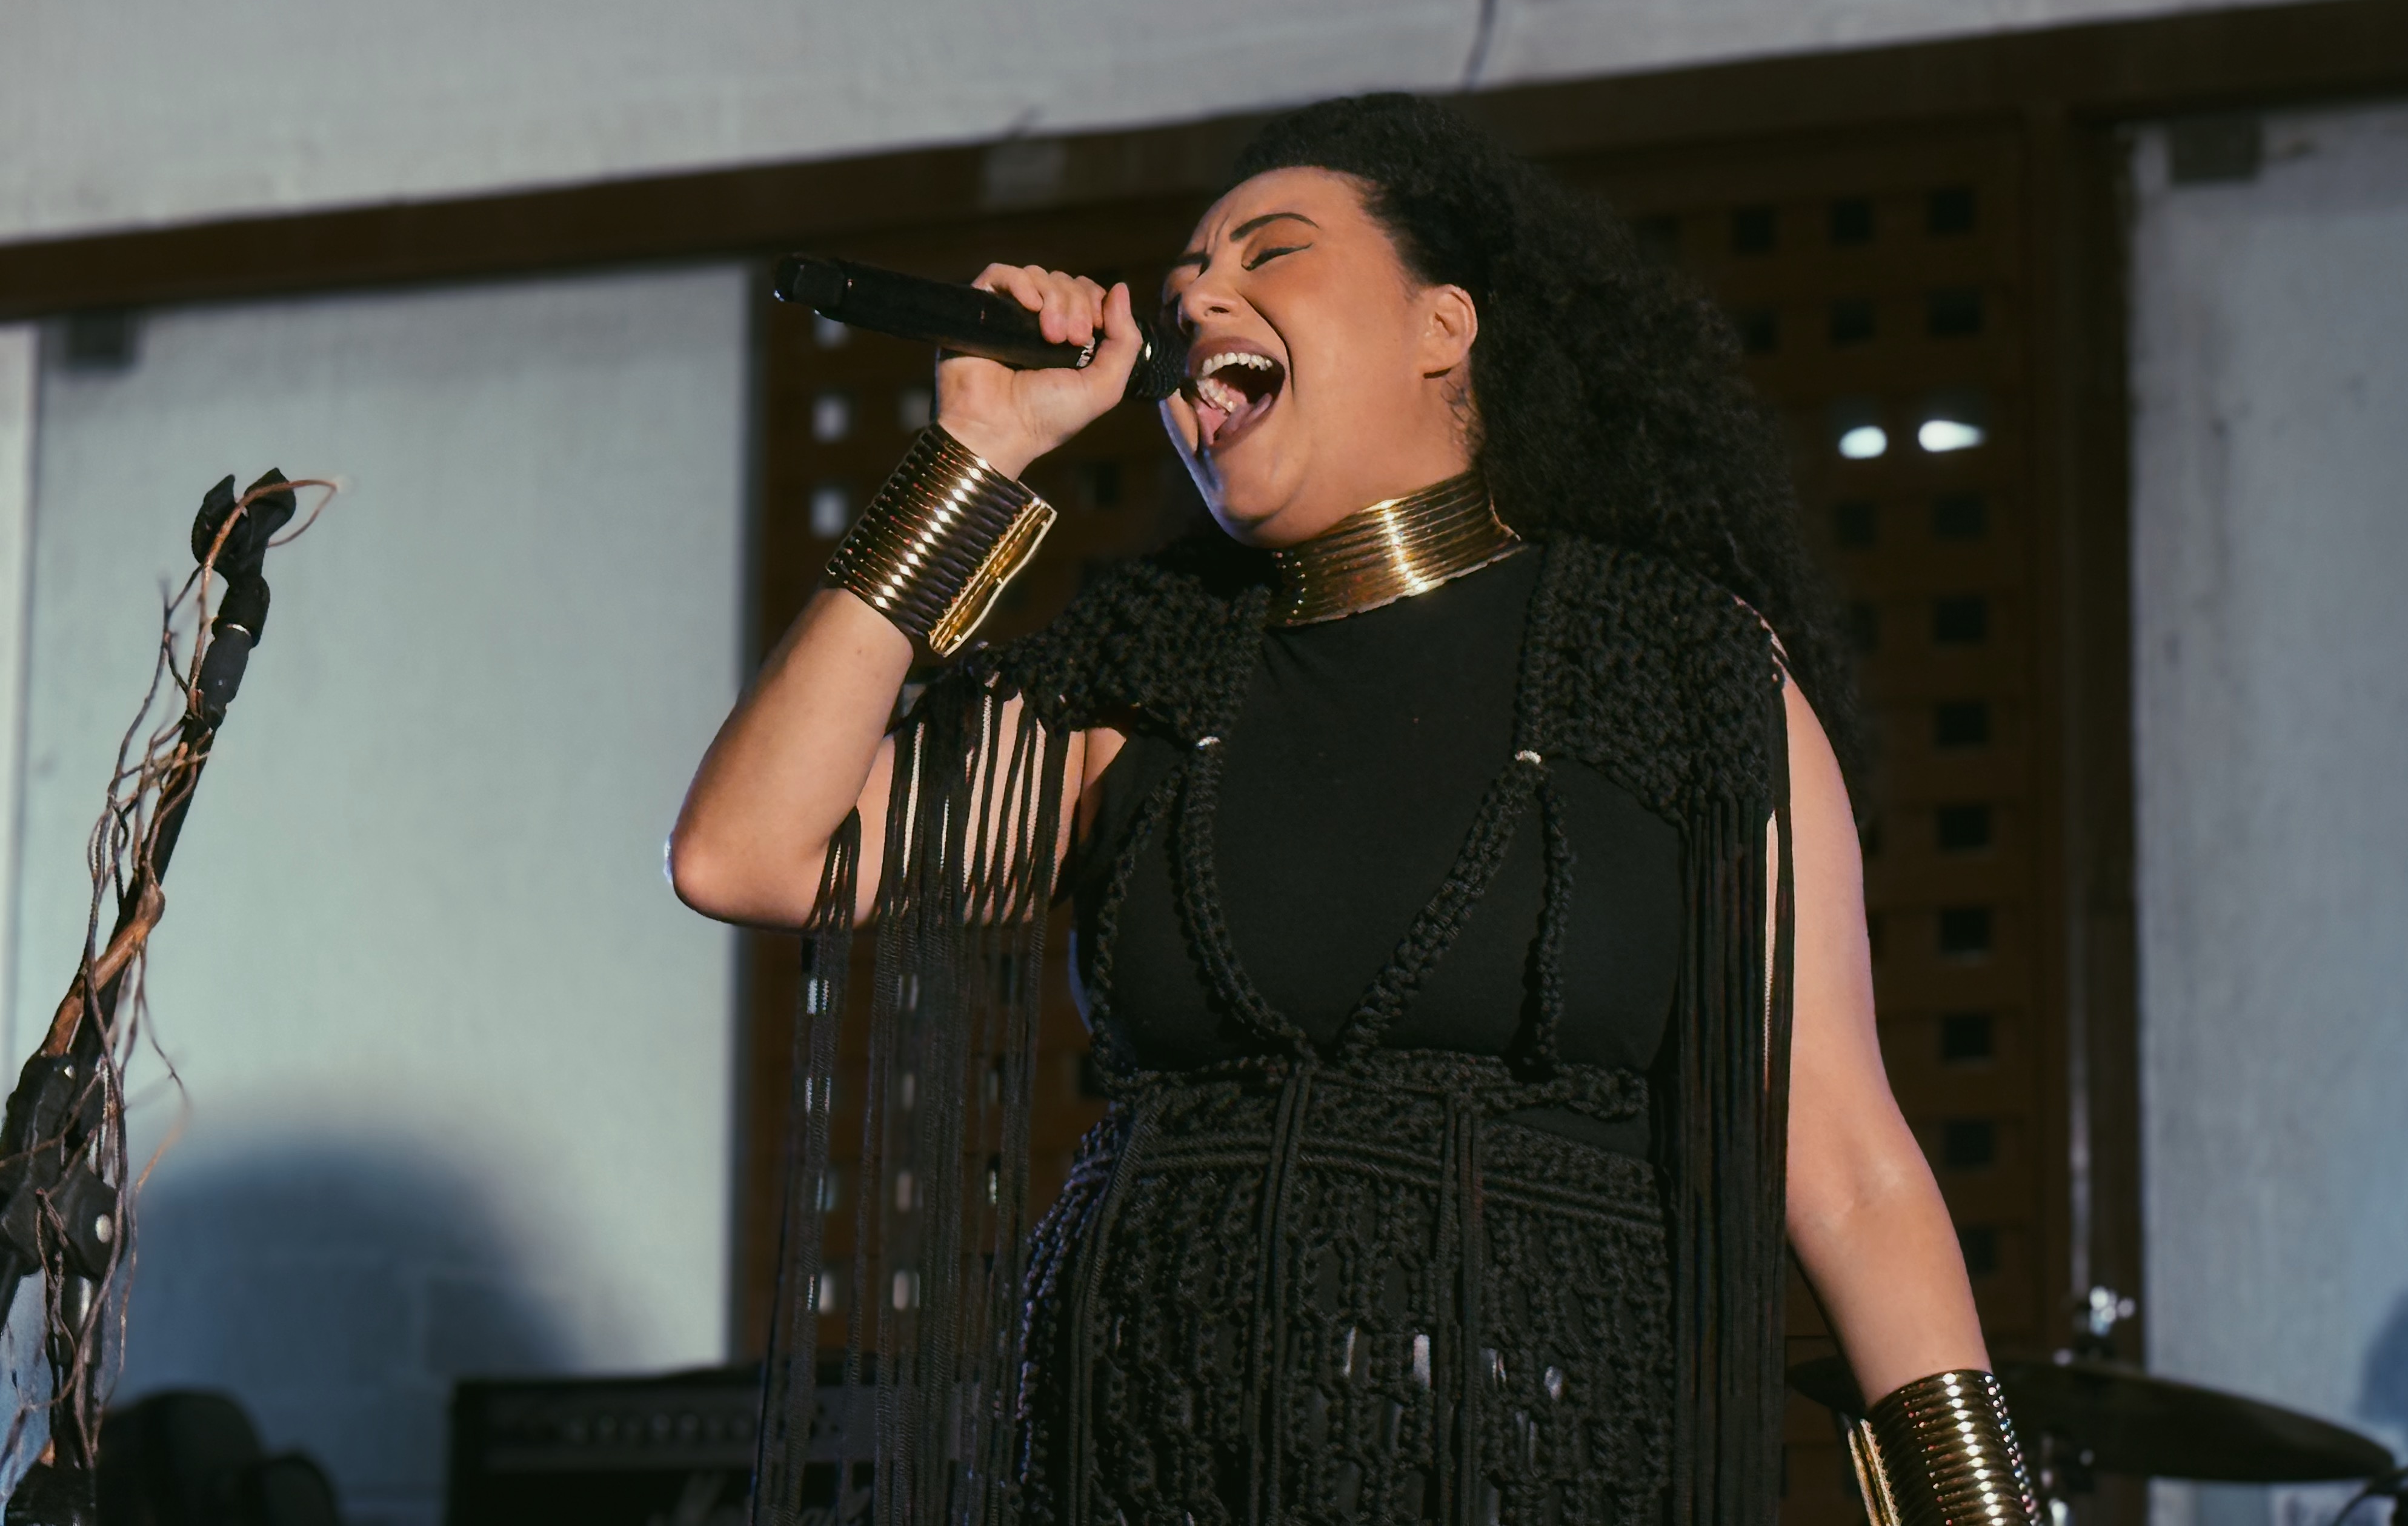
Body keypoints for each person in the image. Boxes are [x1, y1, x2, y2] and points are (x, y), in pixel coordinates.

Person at [671, 95, 2041, 1526]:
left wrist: (1987, 1516)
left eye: (1269, 254)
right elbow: (746, 852)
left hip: (1543, 1472)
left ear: (1443, 327)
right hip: (1140, 1474)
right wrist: (972, 458)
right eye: (1185, 281)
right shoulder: (1143, 671)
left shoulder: (1677, 663)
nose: (1198, 296)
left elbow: (1848, 1167)